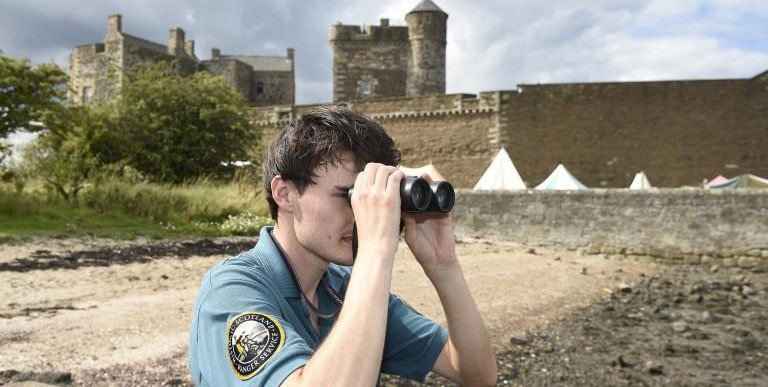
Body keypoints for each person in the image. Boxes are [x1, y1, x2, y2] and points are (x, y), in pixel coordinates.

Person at [188, 105, 497, 386]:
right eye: (348, 196)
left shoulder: (343, 290)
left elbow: (476, 374)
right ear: (285, 193)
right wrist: (375, 248)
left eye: (369, 198)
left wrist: (444, 267)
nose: (361, 214)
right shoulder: (231, 290)